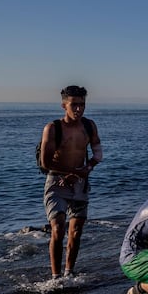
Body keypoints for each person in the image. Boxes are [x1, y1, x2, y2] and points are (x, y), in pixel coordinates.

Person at [40, 85, 102, 279]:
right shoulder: (53, 128)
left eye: (82, 105)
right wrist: (69, 173)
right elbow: (45, 162)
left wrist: (87, 168)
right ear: (63, 105)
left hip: (79, 182)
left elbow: (98, 153)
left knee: (75, 232)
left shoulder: (89, 125)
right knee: (58, 228)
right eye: (74, 105)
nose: (78, 109)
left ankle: (69, 273)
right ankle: (55, 277)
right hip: (57, 183)